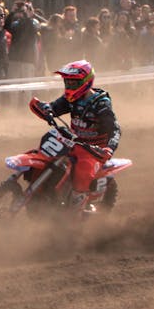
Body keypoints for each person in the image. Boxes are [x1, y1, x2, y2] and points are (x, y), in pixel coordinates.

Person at [28, 60, 121, 214]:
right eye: (68, 82)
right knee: (47, 153)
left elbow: (114, 129)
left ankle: (74, 212)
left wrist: (109, 148)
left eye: (74, 83)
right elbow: (54, 107)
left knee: (83, 171)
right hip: (74, 143)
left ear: (86, 82)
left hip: (94, 150)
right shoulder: (71, 99)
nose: (70, 86)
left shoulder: (100, 104)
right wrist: (46, 109)